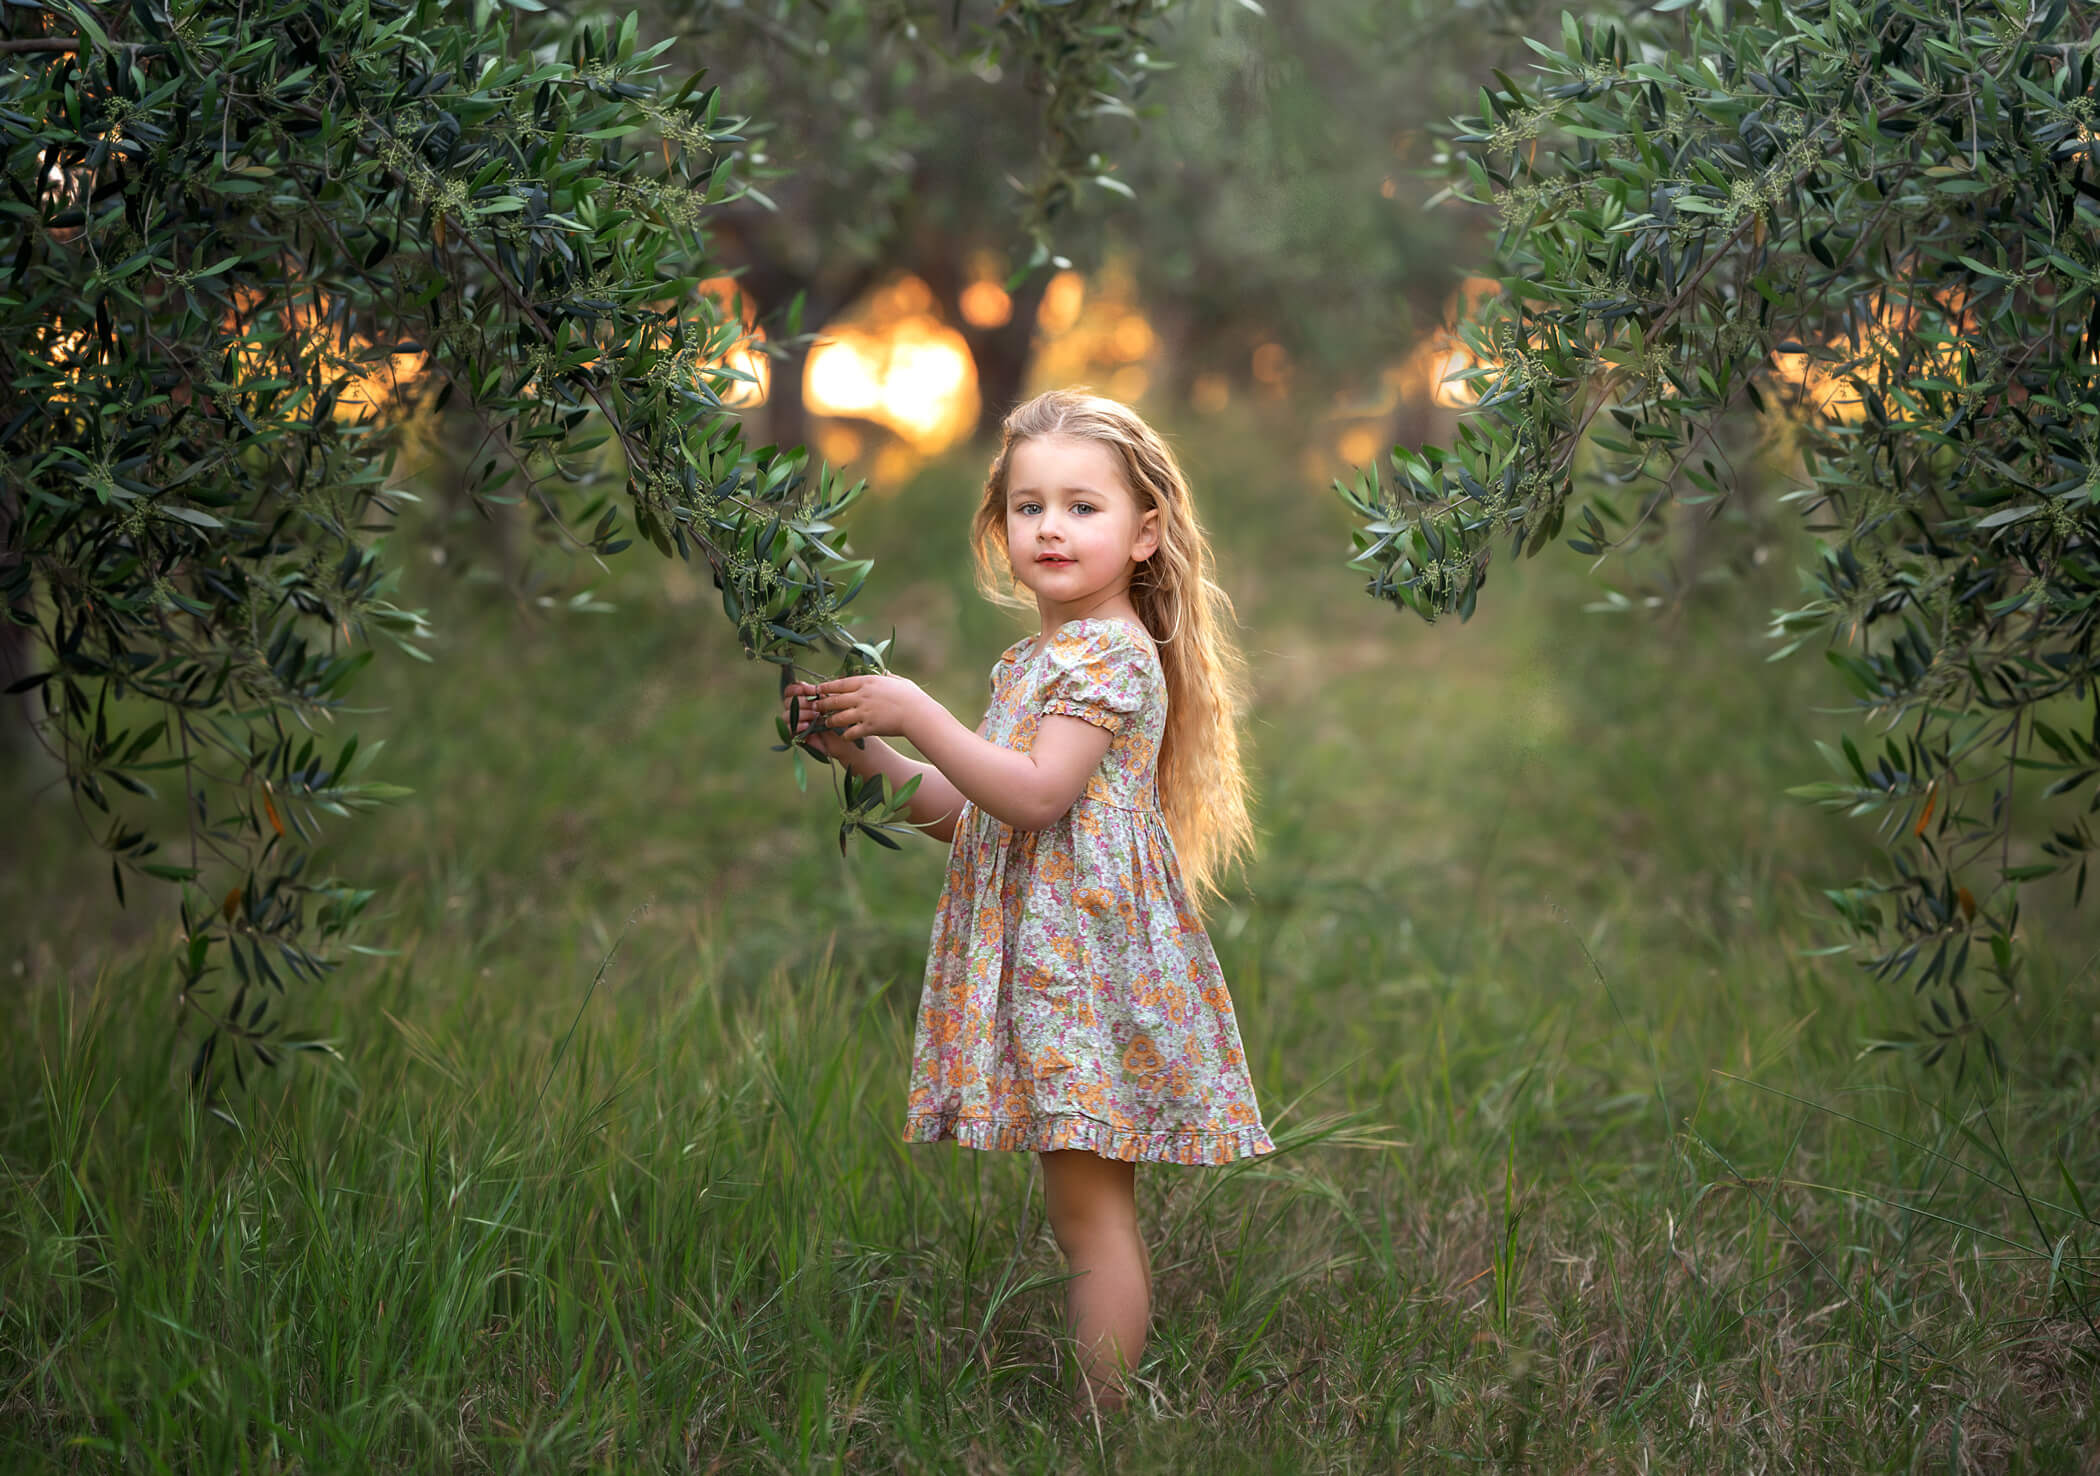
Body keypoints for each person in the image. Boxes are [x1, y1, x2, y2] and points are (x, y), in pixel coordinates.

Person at [783, 387, 1275, 1414]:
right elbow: (980, 817)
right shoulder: (1038, 658)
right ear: (998, 527)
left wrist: (917, 709)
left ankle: (1106, 1425)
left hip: (1085, 965)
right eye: (1027, 506)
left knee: (1093, 1217)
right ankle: (1106, 1412)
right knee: (1078, 1211)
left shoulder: (1107, 650)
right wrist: (862, 754)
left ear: (1145, 533)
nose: (1050, 526)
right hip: (1059, 962)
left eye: (1082, 507)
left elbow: (1040, 796)